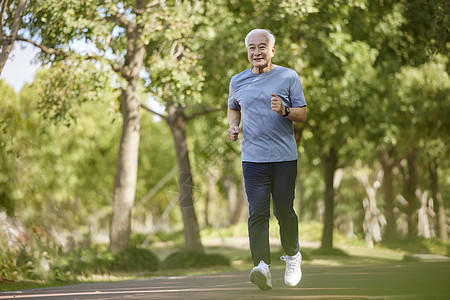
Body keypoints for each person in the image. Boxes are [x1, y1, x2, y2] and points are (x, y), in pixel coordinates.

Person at [227, 29, 307, 291]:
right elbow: (233, 107)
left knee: (283, 211)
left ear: (272, 50)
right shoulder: (237, 81)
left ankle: (293, 256)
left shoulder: (288, 76)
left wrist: (284, 111)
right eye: (252, 47)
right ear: (247, 51)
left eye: (262, 47)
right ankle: (262, 265)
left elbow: (302, 114)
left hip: (284, 157)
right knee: (257, 212)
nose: (257, 52)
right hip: (253, 159)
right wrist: (234, 127)